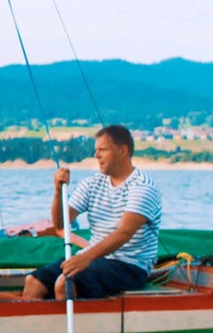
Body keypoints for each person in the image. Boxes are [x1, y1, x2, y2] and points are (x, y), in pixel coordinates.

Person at [22, 124, 162, 301]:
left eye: (102, 150)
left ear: (123, 150)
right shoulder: (93, 182)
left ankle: (77, 317)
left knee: (64, 283)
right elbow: (60, 223)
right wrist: (58, 191)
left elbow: (124, 233)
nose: (96, 155)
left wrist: (86, 258)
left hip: (130, 266)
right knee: (33, 281)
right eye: (96, 150)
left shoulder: (142, 187)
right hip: (97, 258)